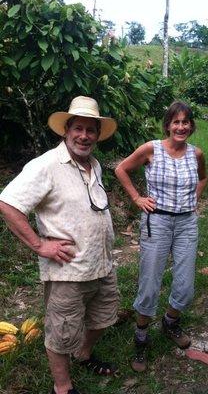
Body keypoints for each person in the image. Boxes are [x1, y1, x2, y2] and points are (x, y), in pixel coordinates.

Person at [0, 96, 119, 394]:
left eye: (91, 130)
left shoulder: (94, 164)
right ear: (66, 130)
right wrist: (39, 245)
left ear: (97, 135)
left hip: (102, 263)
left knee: (104, 316)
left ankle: (84, 354)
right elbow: (8, 203)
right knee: (61, 332)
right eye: (78, 128)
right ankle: (62, 387)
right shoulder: (47, 165)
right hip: (67, 270)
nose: (84, 136)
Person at [115, 101, 208, 372]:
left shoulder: (196, 154)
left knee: (185, 284)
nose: (181, 127)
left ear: (191, 125)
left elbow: (203, 179)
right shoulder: (151, 149)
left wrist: (194, 200)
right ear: (167, 125)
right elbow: (121, 169)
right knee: (150, 281)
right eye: (175, 122)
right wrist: (136, 198)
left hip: (187, 223)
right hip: (157, 221)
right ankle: (141, 337)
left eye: (186, 122)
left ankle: (170, 321)